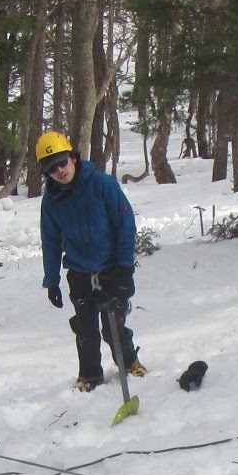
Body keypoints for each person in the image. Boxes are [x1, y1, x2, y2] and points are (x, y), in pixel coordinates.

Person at [36, 131, 147, 391]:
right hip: (79, 272)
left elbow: (125, 225)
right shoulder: (51, 201)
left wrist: (125, 269)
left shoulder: (101, 184)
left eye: (62, 162)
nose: (60, 170)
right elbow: (50, 241)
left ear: (73, 157)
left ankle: (130, 362)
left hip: (112, 269)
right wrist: (51, 281)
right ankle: (90, 375)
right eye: (52, 168)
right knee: (85, 329)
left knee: (113, 326)